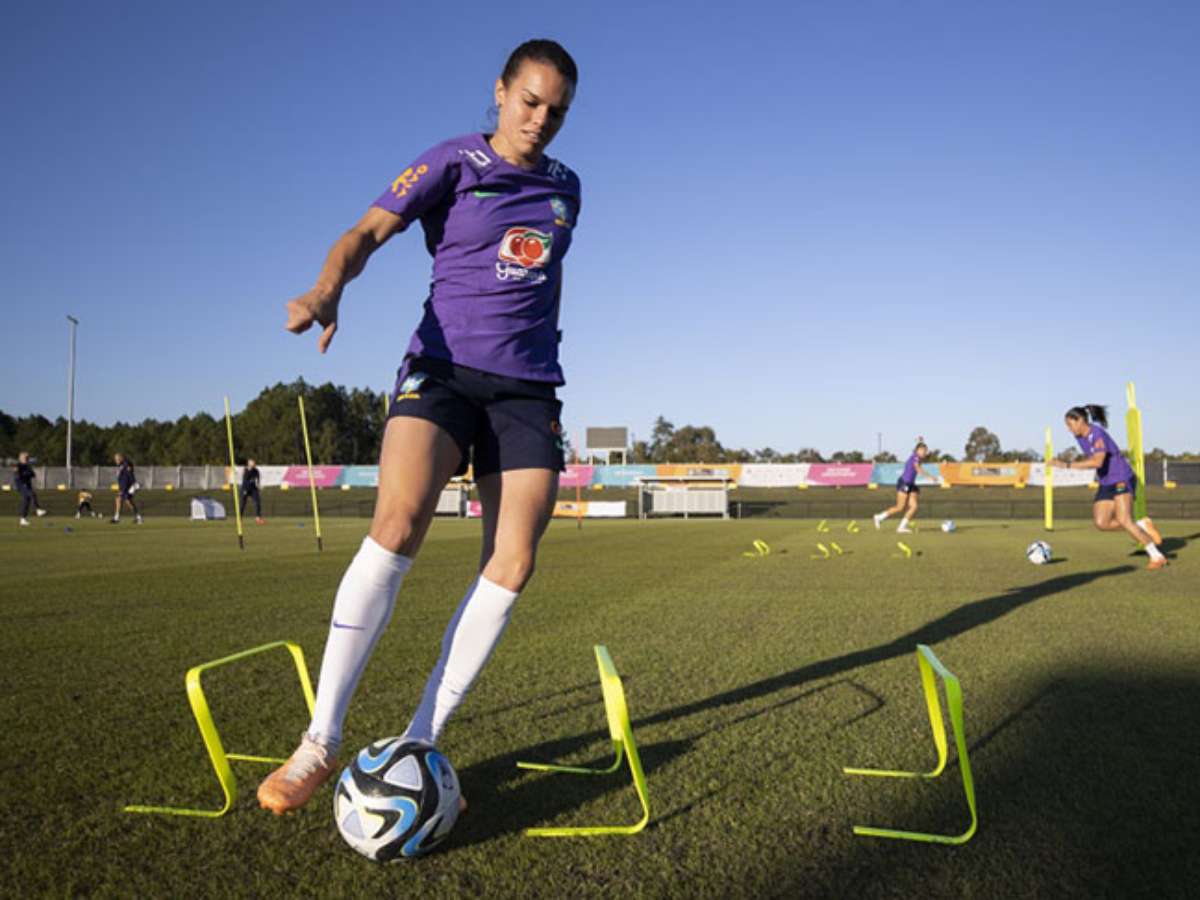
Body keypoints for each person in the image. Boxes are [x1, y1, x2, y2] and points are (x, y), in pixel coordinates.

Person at [257, 39, 581, 815]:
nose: (540, 120)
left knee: (514, 561)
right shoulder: (453, 161)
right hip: (442, 372)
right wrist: (327, 287)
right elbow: (366, 232)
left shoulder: (570, 188)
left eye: (557, 111)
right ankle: (318, 744)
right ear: (500, 91)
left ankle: (419, 743)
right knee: (398, 523)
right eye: (530, 101)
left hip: (528, 391)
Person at [1050, 404, 1166, 569]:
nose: (1069, 429)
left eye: (1070, 424)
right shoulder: (1080, 437)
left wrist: (1066, 465)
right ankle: (1141, 525)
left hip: (1121, 477)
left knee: (1124, 519)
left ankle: (1156, 556)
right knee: (1101, 522)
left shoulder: (1097, 434)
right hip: (1105, 481)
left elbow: (1098, 461)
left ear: (1081, 420)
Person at [874, 440, 939, 533]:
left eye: (925, 451)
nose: (924, 452)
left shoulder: (919, 458)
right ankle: (879, 517)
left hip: (911, 484)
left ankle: (901, 527)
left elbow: (921, 457)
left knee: (914, 506)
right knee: (900, 507)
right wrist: (930, 477)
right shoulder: (915, 457)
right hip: (904, 483)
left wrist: (921, 441)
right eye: (923, 450)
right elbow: (917, 468)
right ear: (918, 450)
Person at [12, 452, 48, 526]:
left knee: (26, 501)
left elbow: (33, 474)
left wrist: (27, 474)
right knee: (32, 494)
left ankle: (23, 519)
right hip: (21, 485)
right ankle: (38, 509)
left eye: (27, 458)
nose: (27, 459)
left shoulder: (28, 466)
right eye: (25, 458)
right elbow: (17, 474)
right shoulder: (18, 465)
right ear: (20, 458)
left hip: (27, 485)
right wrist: (23, 475)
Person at [109, 453, 143, 525]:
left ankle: (138, 518)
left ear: (121, 458)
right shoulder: (121, 466)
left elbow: (130, 469)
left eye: (117, 459)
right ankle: (117, 518)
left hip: (127, 487)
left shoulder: (126, 463)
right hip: (123, 487)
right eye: (115, 459)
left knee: (127, 501)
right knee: (119, 499)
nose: (116, 460)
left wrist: (134, 484)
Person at [240, 459, 264, 524]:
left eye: (254, 464)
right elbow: (244, 481)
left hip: (253, 489)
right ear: (248, 464)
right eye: (251, 464)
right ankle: (239, 518)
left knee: (257, 502)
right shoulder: (245, 470)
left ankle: (258, 518)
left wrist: (259, 485)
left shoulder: (256, 471)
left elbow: (258, 479)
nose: (253, 465)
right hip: (245, 488)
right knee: (242, 504)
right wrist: (245, 490)